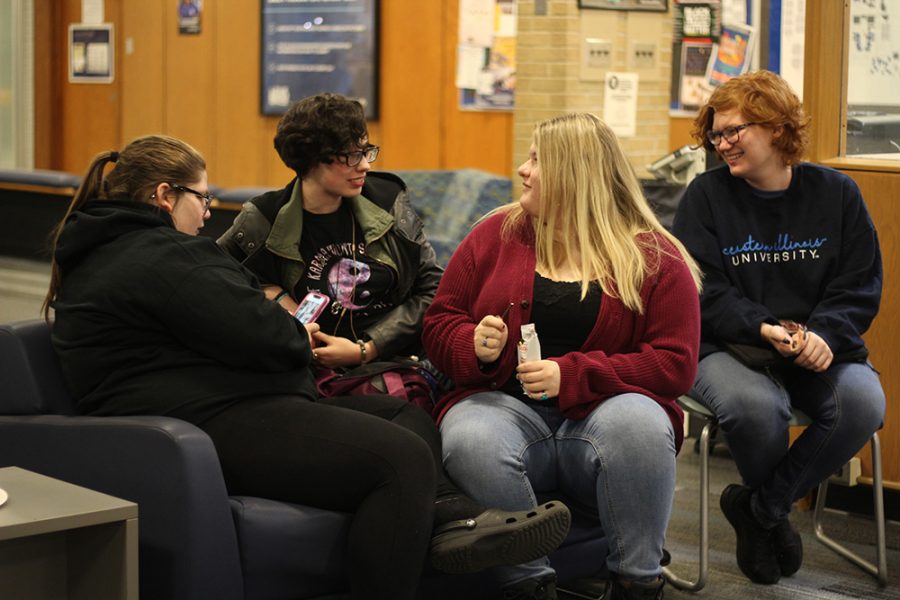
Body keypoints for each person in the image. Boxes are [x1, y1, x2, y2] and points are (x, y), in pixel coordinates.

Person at [42, 135, 572, 600]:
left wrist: (281, 326)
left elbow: (230, 319)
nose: (207, 214)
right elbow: (262, 332)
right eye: (200, 199)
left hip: (203, 410)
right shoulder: (162, 255)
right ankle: (453, 529)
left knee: (404, 417)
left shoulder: (108, 252)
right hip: (201, 421)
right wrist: (295, 333)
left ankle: (455, 521)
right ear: (163, 195)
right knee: (400, 459)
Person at [422, 113, 702, 600]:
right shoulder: (494, 234)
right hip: (503, 409)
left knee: (641, 423)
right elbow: (439, 322)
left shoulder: (655, 257)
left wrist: (574, 373)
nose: (523, 170)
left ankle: (637, 582)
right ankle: (530, 585)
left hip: (602, 416)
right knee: (469, 436)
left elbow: (675, 364)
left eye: (536, 160)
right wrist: (473, 346)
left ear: (575, 175)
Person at [672, 70, 885, 585]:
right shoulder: (705, 198)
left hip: (816, 346)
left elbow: (858, 285)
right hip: (727, 346)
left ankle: (761, 509)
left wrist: (823, 336)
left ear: (775, 127)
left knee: (863, 403)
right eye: (716, 135)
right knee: (756, 408)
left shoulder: (836, 193)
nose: (722, 144)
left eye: (734, 131)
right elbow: (701, 291)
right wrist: (763, 327)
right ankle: (777, 515)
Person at [218, 92, 437, 370]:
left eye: (366, 150)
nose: (365, 165)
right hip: (300, 370)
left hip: (390, 363)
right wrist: (276, 299)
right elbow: (215, 279)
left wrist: (368, 348)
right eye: (351, 155)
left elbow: (433, 287)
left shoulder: (388, 200)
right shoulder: (263, 218)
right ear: (312, 160)